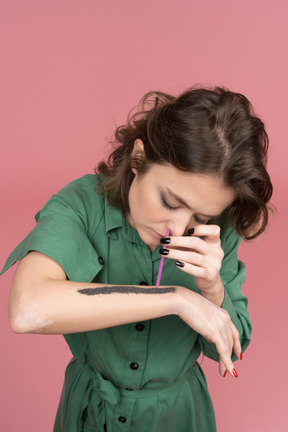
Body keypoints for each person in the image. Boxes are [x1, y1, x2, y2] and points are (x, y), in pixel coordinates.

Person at [1, 86, 273, 432]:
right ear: (138, 159)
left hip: (178, 416)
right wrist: (176, 299)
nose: (177, 228)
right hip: (89, 413)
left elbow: (228, 351)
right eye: (170, 202)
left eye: (200, 218)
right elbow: (26, 311)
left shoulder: (220, 231)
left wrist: (212, 288)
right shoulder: (80, 205)